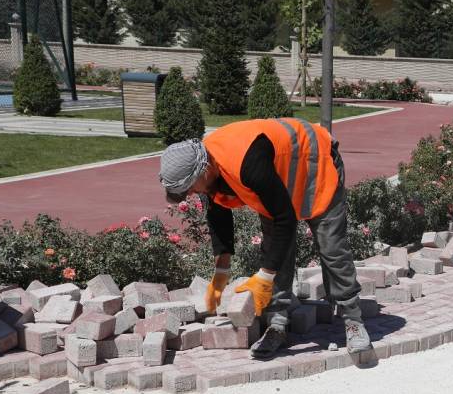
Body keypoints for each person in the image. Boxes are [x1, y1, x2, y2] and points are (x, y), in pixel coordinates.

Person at [157, 118, 372, 360]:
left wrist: (264, 276)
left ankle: (353, 321)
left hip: (317, 166)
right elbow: (218, 216)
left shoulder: (247, 162)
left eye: (189, 187)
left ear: (204, 170)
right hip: (279, 180)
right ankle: (277, 326)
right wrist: (221, 272)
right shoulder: (207, 168)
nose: (190, 194)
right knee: (274, 248)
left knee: (331, 247)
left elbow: (286, 220)